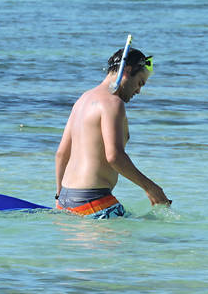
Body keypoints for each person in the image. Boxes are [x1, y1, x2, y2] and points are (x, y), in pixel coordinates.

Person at [54, 47, 171, 219]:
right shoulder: (113, 103)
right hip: (93, 202)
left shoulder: (82, 100)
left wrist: (59, 198)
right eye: (140, 83)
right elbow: (114, 156)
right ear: (128, 71)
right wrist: (151, 188)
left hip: (65, 201)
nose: (139, 91)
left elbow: (61, 154)